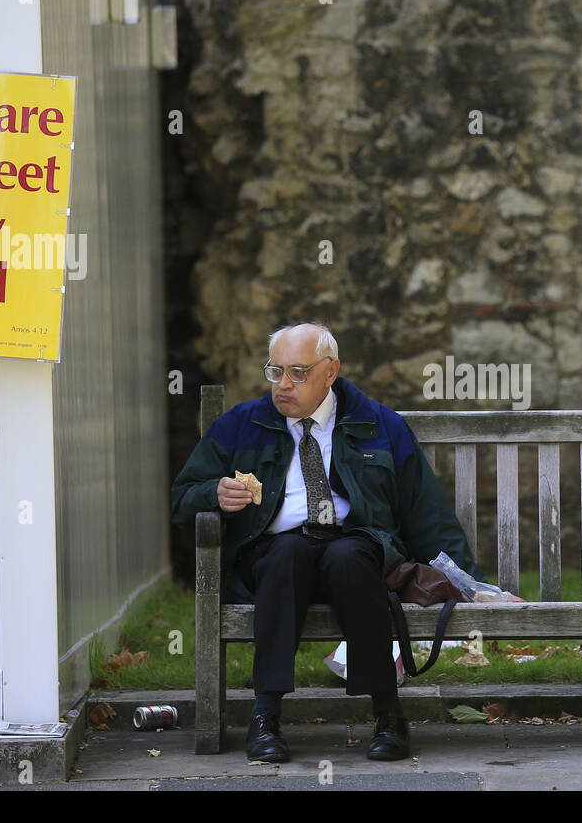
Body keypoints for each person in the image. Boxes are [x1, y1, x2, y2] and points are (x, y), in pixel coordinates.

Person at [170, 322, 482, 763]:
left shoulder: (379, 424)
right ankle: (265, 717)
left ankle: (388, 714)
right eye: (275, 371)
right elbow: (182, 499)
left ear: (330, 371)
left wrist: (468, 582)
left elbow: (424, 511)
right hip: (275, 555)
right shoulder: (241, 425)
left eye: (298, 372)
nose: (283, 384)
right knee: (288, 552)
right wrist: (212, 494)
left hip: (353, 548)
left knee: (350, 556)